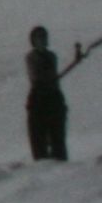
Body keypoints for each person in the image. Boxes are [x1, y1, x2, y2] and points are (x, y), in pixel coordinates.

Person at [25, 25, 68, 161]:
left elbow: (50, 76)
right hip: (38, 101)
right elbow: (37, 77)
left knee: (57, 140)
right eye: (38, 38)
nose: (41, 41)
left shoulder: (51, 56)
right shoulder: (31, 57)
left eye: (43, 37)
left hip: (53, 99)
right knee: (39, 139)